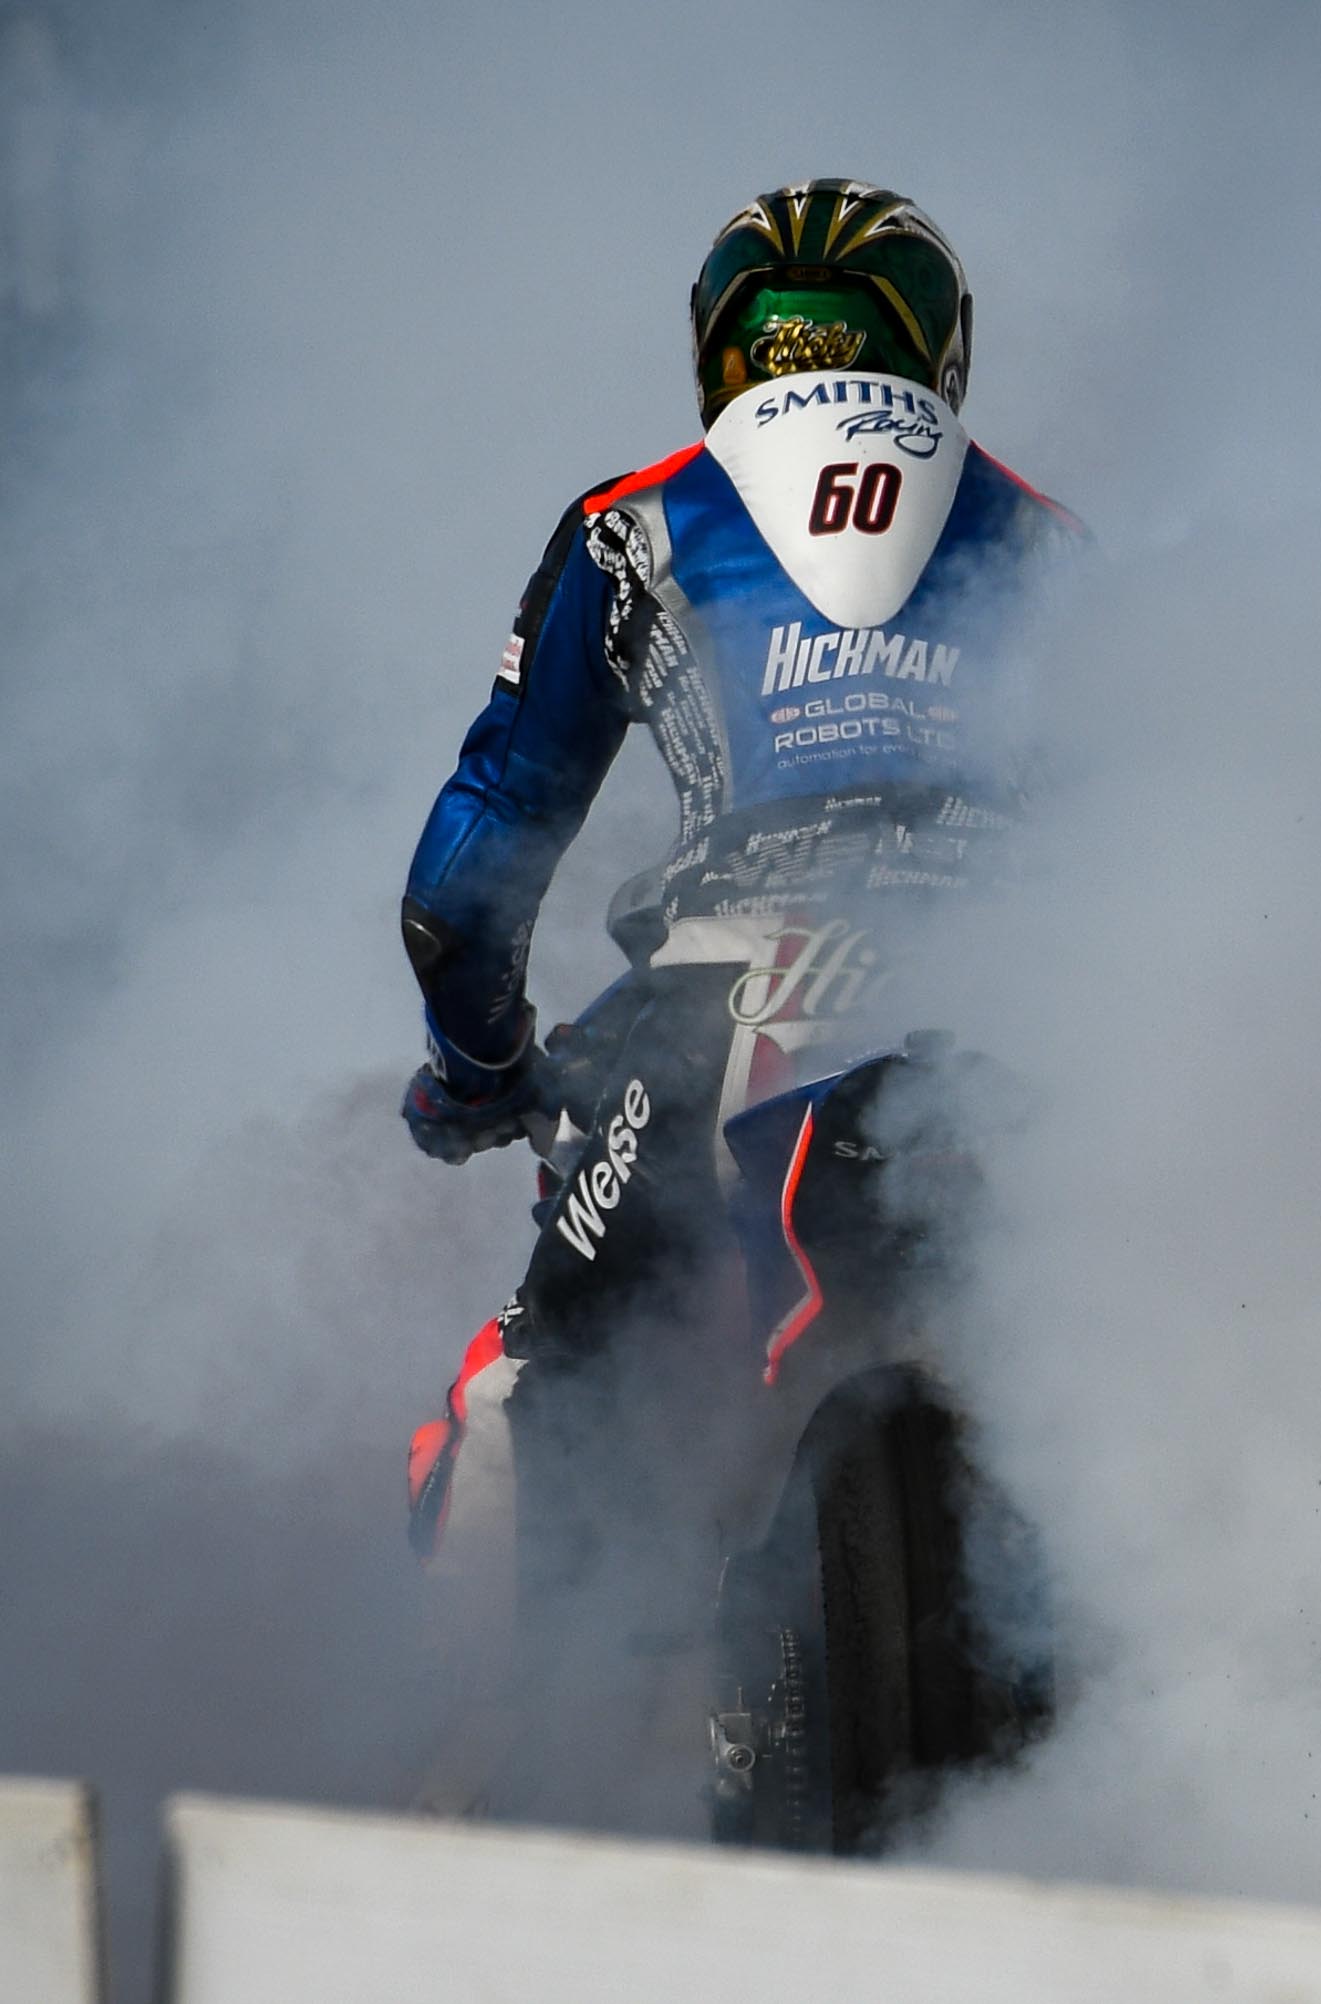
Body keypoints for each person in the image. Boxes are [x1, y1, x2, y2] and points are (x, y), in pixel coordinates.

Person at [393, 181, 1079, 1804]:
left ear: (720, 361)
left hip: (716, 1006)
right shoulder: (1051, 540)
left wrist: (479, 1070)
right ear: (944, 353)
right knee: (1179, 1380)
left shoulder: (638, 521)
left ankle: (486, 1848)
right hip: (1023, 1027)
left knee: (519, 1408)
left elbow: (461, 885)